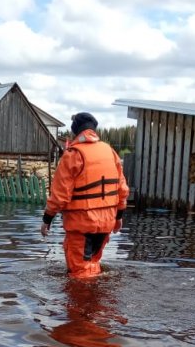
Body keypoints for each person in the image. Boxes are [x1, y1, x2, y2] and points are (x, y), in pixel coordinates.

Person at [40, 112, 129, 278]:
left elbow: (60, 195)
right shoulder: (110, 152)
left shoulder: (73, 154)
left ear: (75, 131)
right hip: (107, 222)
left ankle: (83, 303)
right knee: (92, 264)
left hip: (82, 223)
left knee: (79, 271)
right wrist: (119, 217)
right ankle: (99, 302)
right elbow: (122, 189)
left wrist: (46, 220)